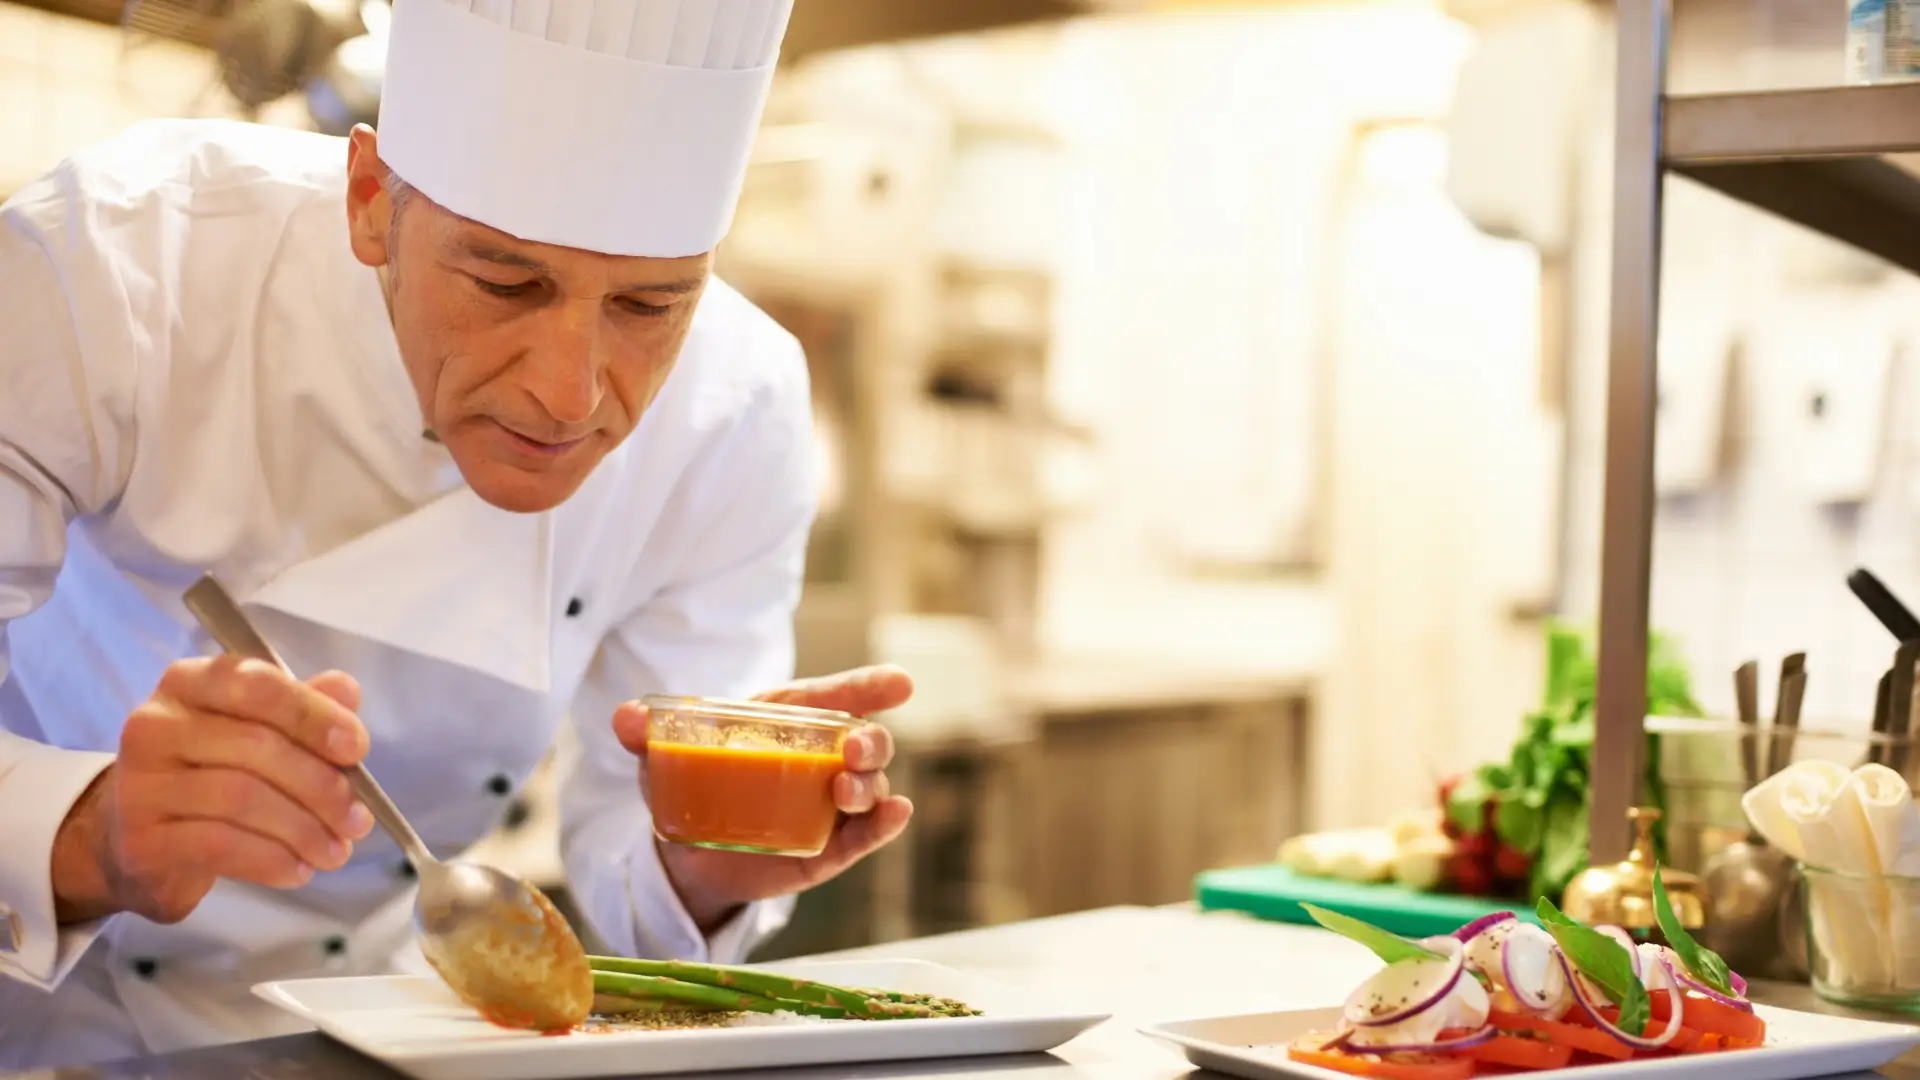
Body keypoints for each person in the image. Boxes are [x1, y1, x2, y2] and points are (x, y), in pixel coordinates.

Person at [0, 0, 916, 1067]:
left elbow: (637, 875)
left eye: (649, 307)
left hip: (384, 1036)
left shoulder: (738, 407)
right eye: (506, 283)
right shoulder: (120, 260)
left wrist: (707, 865)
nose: (570, 396)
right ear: (371, 202)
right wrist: (82, 833)